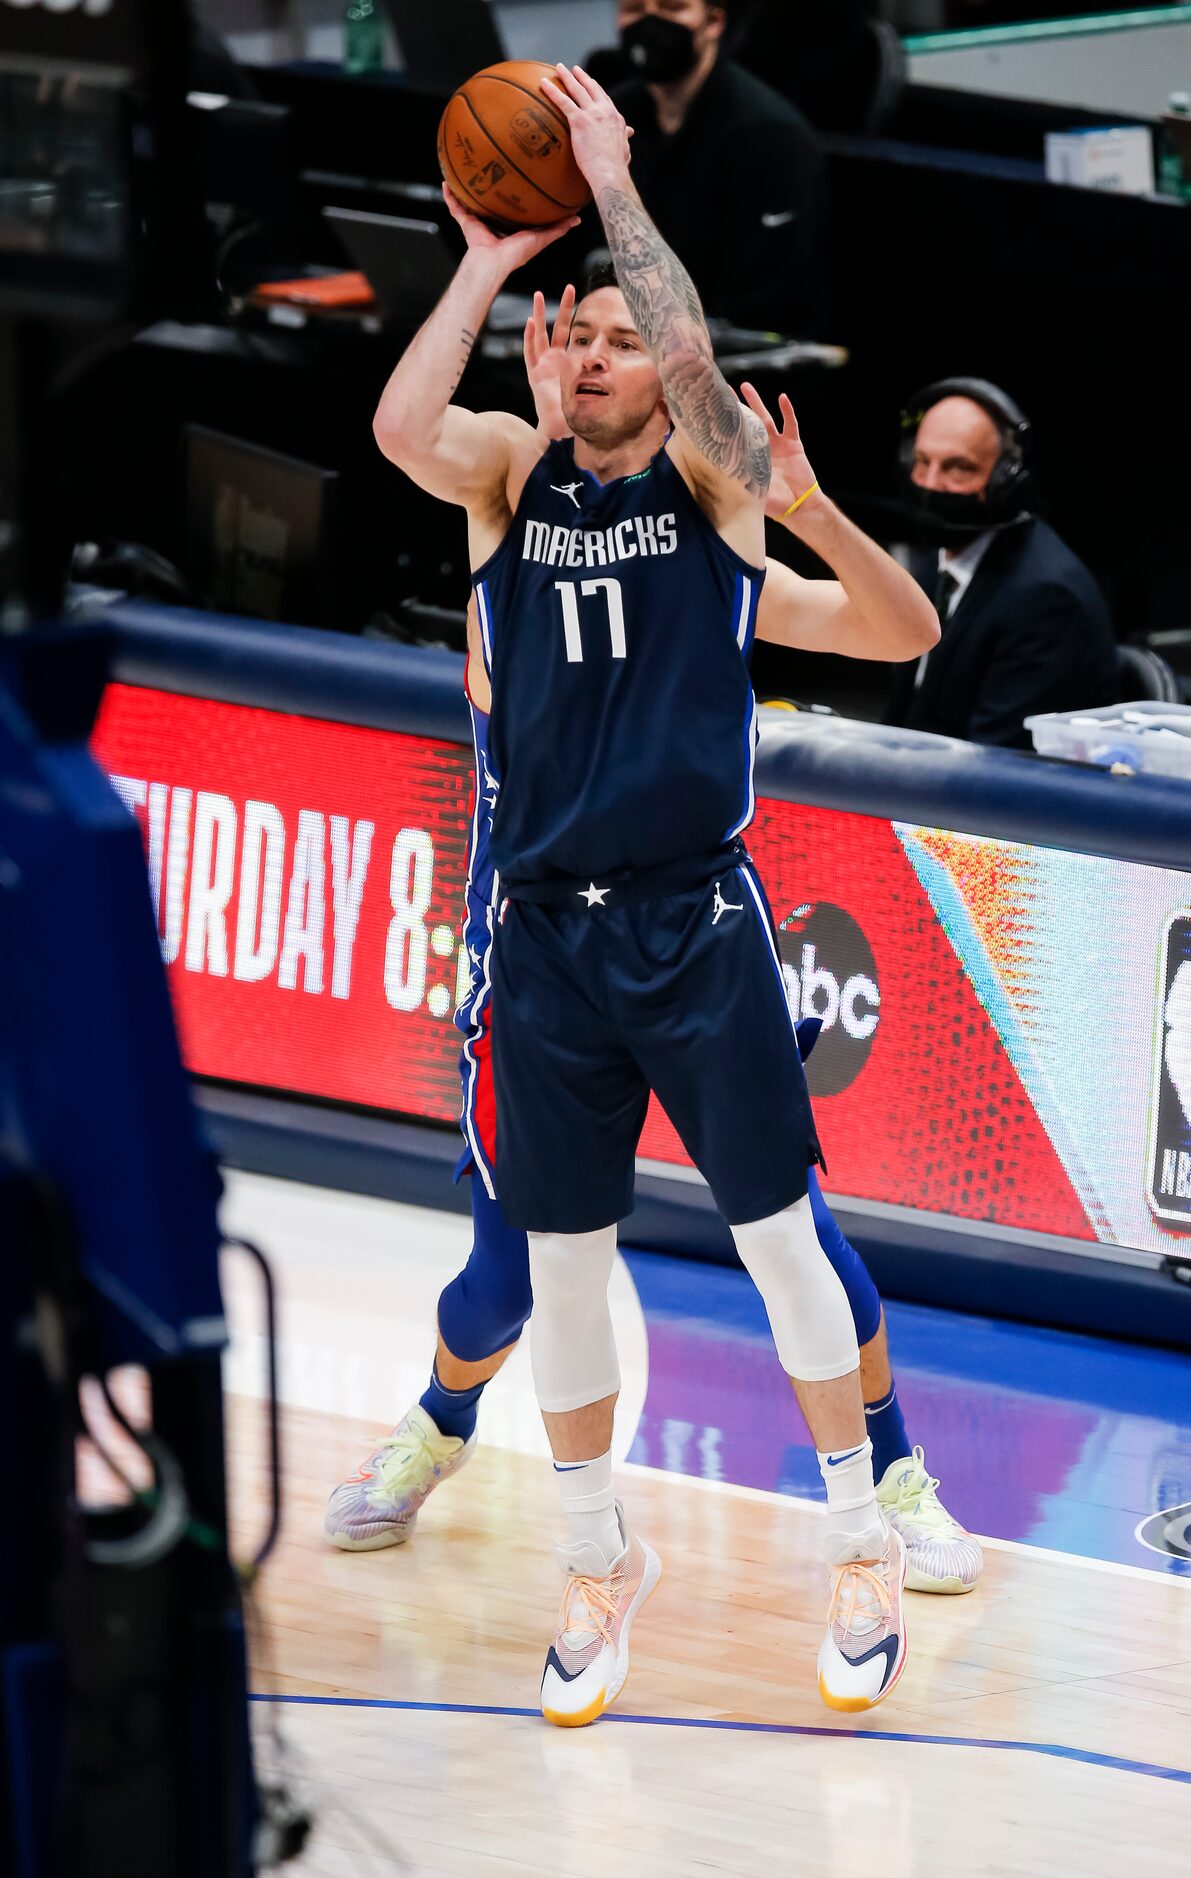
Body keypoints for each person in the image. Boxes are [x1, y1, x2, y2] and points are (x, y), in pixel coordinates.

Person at [363, 64, 934, 1725]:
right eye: (582, 333)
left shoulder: (713, 485)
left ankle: (857, 1534)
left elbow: (702, 374)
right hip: (546, 935)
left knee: (779, 1243)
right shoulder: (498, 477)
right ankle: (598, 1557)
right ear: (548, 356)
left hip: (692, 919)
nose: (607, 350)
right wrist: (481, 256)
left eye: (625, 334)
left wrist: (616, 195)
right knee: (557, 1271)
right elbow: (397, 426)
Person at [884, 378, 1117, 748]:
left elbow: (995, 763)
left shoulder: (1046, 600)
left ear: (1005, 480)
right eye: (922, 462)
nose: (930, 483)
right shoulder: (937, 566)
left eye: (957, 468)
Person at [597, 0, 826, 332]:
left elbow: (768, 303)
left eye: (672, 8)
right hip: (628, 337)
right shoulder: (612, 115)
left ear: (714, 21)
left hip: (731, 360)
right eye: (634, 9)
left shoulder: (769, 136)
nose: (649, 23)